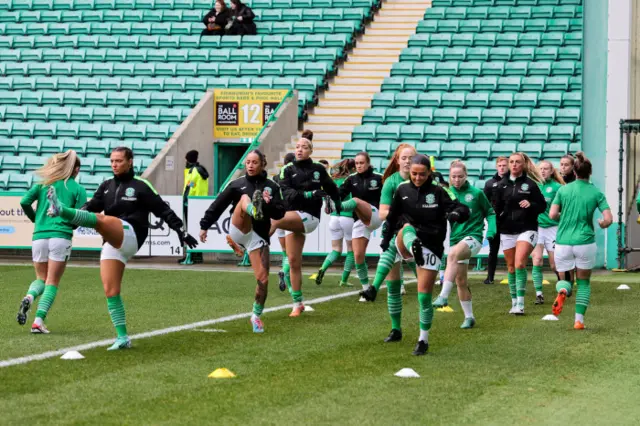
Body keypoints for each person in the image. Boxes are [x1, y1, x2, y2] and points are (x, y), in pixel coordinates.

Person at [46, 147, 198, 350]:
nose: (114, 165)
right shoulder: (106, 186)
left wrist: (182, 231)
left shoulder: (141, 186)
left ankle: (61, 209)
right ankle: (122, 337)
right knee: (111, 291)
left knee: (101, 219)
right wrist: (74, 220)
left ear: (130, 162)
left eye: (118, 161)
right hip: (113, 242)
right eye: (112, 161)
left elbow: (164, 210)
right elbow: (90, 207)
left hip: (133, 234)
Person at [380, 155, 469, 355]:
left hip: (431, 245)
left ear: (429, 172)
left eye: (422, 174)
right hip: (405, 239)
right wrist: (385, 240)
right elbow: (392, 217)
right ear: (409, 172)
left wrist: (456, 215)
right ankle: (395, 329)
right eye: (414, 174)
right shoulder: (402, 189)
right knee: (393, 285)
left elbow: (462, 208)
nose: (418, 178)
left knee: (423, 295)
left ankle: (423, 339)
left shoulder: (439, 190)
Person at [199, 150, 285, 333]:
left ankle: (255, 316)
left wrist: (268, 205)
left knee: (263, 279)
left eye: (254, 162)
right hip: (239, 228)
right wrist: (204, 225)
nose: (251, 165)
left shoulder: (272, 186)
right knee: (244, 199)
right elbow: (218, 206)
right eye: (248, 162)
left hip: (258, 236)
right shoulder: (237, 184)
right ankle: (253, 211)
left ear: (262, 163)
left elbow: (280, 213)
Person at [16, 150, 87, 333]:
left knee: (41, 278)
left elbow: (24, 201)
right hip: (61, 236)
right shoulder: (78, 189)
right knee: (52, 281)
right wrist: (71, 226)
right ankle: (38, 321)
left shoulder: (43, 183)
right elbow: (80, 216)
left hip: (39, 236)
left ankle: (30, 297)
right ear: (76, 169)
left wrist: (35, 219)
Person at [271, 137, 341, 316]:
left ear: (311, 151)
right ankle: (297, 304)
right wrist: (310, 194)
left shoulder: (318, 169)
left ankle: (252, 244)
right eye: (297, 146)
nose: (300, 149)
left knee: (275, 220)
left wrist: (337, 203)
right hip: (292, 217)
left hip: (309, 217)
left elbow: (331, 188)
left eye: (304, 147)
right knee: (294, 262)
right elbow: (287, 194)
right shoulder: (287, 169)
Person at [549, 152, 612, 329]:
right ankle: (578, 321)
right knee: (583, 282)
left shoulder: (563, 190)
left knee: (565, 278)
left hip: (563, 241)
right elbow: (608, 218)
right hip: (585, 242)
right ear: (589, 173)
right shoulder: (596, 192)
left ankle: (562, 290)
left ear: (574, 172)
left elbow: (553, 214)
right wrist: (603, 223)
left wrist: (565, 216)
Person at [432, 161, 496, 329]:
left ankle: (443, 296)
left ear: (466, 175)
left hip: (473, 238)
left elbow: (490, 212)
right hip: (455, 239)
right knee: (461, 280)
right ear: (449, 177)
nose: (457, 179)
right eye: (453, 176)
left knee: (452, 255)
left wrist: (490, 232)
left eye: (460, 176)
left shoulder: (476, 193)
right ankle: (469, 317)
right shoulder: (445, 194)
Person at [359, 143, 417, 315]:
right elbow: (383, 213)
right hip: (394, 229)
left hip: (418, 231)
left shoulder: (423, 179)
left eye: (411, 158)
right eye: (404, 158)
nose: (407, 161)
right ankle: (395, 329)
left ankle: (374, 287)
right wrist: (401, 214)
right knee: (393, 288)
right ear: (397, 161)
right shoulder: (391, 182)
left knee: (422, 284)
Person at [493, 152, 546, 315]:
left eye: (517, 162)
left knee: (520, 264)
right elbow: (494, 207)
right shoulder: (501, 185)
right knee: (510, 267)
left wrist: (531, 204)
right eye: (512, 162)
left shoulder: (530, 185)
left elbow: (542, 205)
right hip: (507, 230)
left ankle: (521, 304)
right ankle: (514, 301)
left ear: (523, 165)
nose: (514, 164)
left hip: (527, 228)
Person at [334, 152, 383, 296]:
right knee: (358, 256)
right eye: (357, 163)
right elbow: (339, 193)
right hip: (361, 220)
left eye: (362, 163)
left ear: (368, 163)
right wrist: (330, 193)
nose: (359, 165)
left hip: (376, 215)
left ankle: (399, 286)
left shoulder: (379, 178)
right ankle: (367, 288)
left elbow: (390, 193)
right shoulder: (351, 179)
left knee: (355, 200)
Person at [311, 159, 356, 287]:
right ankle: (344, 280)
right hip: (348, 217)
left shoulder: (333, 180)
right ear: (352, 169)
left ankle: (322, 269)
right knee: (351, 250)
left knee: (336, 249)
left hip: (334, 218)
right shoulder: (352, 180)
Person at [530, 160, 565, 304]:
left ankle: (563, 289)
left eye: (546, 169)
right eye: (541, 169)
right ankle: (539, 294)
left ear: (552, 171)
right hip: (536, 228)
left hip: (553, 228)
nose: (543, 171)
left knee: (554, 264)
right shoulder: (533, 186)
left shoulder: (558, 188)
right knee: (536, 260)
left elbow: (564, 209)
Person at [483, 156, 508, 284]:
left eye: (504, 165)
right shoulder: (489, 183)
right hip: (495, 221)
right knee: (493, 250)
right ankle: (490, 277)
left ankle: (512, 276)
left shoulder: (512, 181)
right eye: (500, 165)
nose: (502, 167)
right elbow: (484, 203)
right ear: (496, 167)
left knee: (511, 249)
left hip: (509, 221)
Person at [182, 150, 209, 264]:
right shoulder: (201, 170)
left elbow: (189, 187)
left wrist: (185, 200)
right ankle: (197, 255)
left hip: (191, 203)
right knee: (197, 229)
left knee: (191, 230)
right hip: (200, 202)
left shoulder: (193, 171)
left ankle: (192, 254)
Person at [274, 152, 295, 292]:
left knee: (284, 251)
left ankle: (287, 283)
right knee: (291, 253)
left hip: (277, 216)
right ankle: (284, 271)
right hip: (289, 216)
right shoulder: (293, 176)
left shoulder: (276, 177)